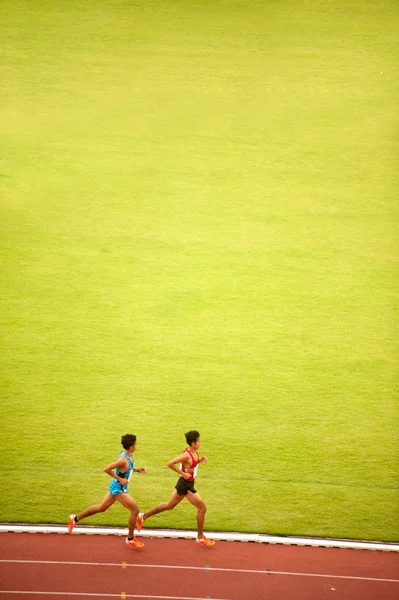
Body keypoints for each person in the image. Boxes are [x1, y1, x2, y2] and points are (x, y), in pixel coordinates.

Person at [136, 430, 215, 547]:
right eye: (198, 442)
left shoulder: (194, 452)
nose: (200, 443)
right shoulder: (186, 455)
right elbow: (170, 463)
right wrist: (182, 474)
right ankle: (200, 537)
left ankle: (143, 516)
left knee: (169, 505)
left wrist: (199, 461)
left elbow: (191, 466)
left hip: (187, 483)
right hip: (185, 485)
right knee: (202, 508)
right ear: (193, 443)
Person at [68, 433, 146, 549]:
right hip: (118, 488)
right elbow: (107, 469)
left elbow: (127, 469)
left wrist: (138, 470)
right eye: (135, 444)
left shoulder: (129, 455)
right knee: (135, 510)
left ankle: (74, 519)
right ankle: (130, 538)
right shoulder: (123, 460)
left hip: (117, 486)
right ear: (131, 446)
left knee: (101, 508)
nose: (136, 446)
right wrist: (119, 479)